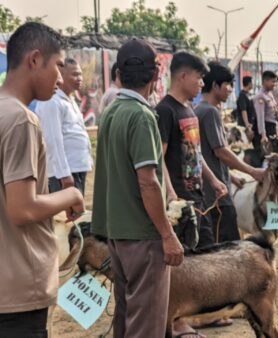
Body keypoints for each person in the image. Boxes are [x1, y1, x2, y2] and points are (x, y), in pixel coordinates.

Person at [91, 38, 185, 338]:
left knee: (126, 316)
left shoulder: (111, 112)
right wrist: (168, 235)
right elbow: (148, 181)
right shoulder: (142, 116)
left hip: (117, 233)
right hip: (143, 237)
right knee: (145, 325)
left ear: (119, 72)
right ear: (156, 74)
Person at [0, 22, 85, 338]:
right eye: (59, 66)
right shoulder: (22, 120)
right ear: (34, 60)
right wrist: (72, 195)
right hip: (18, 290)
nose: (61, 78)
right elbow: (21, 209)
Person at [156, 52, 228, 250]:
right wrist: (171, 194)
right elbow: (158, 158)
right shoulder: (165, 111)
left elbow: (195, 152)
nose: (202, 83)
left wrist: (213, 180)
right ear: (183, 77)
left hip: (198, 197)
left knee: (206, 249)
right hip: (180, 204)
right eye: (199, 77)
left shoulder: (189, 110)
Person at [195, 61, 266, 243]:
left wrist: (233, 178)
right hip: (218, 196)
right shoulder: (210, 112)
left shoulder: (199, 110)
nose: (230, 90)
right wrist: (252, 171)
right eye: (227, 85)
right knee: (228, 248)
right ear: (214, 86)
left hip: (212, 190)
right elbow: (221, 152)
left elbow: (207, 153)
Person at [35, 58, 93, 195]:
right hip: (64, 173)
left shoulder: (69, 100)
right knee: (65, 213)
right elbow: (53, 140)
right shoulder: (52, 102)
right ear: (60, 75)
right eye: (74, 74)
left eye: (80, 74)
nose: (79, 78)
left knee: (76, 211)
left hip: (76, 168)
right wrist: (64, 174)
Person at [254, 70, 278, 149]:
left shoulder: (269, 94)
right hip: (266, 129)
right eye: (273, 81)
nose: (274, 84)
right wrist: (263, 135)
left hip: (272, 127)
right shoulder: (260, 96)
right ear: (265, 81)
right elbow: (260, 117)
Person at [236, 76, 256, 142]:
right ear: (249, 83)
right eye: (252, 82)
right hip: (244, 125)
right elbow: (243, 110)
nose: (253, 84)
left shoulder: (249, 94)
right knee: (245, 143)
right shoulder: (242, 95)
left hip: (250, 124)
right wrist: (247, 124)